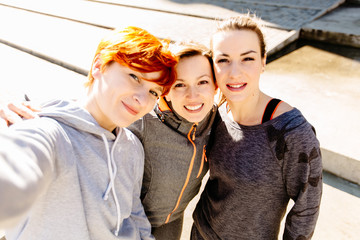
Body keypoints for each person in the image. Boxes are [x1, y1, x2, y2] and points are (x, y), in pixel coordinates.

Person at [0, 41, 218, 240]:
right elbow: (86, 116)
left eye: (152, 90)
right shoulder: (137, 122)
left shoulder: (134, 146)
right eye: (134, 77)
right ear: (167, 94)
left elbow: (133, 212)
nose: (193, 95)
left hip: (167, 225)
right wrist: (34, 114)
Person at [191, 15, 323, 240]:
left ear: (263, 61)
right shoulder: (216, 114)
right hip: (201, 232)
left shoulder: (291, 131)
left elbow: (306, 208)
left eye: (247, 59)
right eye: (223, 60)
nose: (234, 72)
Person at [128, 42, 217, 239]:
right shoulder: (142, 122)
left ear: (215, 85)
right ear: (165, 90)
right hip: (131, 225)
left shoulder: (216, 120)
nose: (192, 96)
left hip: (172, 221)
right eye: (179, 84)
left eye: (202, 82)